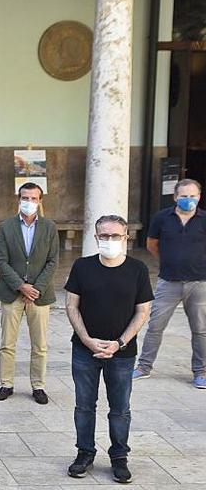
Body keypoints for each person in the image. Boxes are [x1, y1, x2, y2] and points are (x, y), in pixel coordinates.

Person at [65, 215, 153, 483]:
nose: (110, 241)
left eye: (116, 236)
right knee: (83, 406)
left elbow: (143, 311)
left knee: (120, 409)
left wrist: (119, 343)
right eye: (104, 236)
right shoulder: (82, 267)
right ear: (96, 238)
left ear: (126, 238)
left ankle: (119, 457)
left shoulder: (138, 270)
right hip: (85, 351)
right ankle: (85, 453)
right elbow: (71, 305)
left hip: (122, 354)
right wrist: (88, 340)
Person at [134, 179, 206, 388]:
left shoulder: (204, 219)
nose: (188, 200)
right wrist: (169, 262)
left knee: (200, 330)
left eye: (192, 196)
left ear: (199, 197)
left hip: (199, 283)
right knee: (155, 325)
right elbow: (152, 245)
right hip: (168, 282)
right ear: (175, 197)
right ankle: (144, 367)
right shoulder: (161, 218)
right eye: (183, 196)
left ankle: (200, 371)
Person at [0, 182, 59, 404]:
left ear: (40, 201)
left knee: (39, 344)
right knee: (7, 342)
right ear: (18, 199)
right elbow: (1, 261)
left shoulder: (49, 228)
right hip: (12, 292)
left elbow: (52, 261)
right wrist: (21, 285)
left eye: (33, 198)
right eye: (24, 198)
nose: (28, 202)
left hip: (40, 295)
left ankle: (38, 385)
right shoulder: (6, 227)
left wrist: (36, 288)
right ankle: (6, 383)